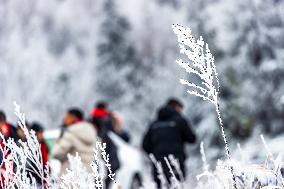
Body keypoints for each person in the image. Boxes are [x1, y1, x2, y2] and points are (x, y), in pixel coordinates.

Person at [142, 98, 196, 189]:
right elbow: (192, 139)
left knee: (161, 185)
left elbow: (145, 145)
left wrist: (154, 155)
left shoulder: (154, 124)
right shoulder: (180, 121)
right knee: (176, 185)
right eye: (180, 108)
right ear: (176, 107)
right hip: (176, 162)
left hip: (158, 164)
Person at [53, 108, 97, 176]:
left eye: (67, 117)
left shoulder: (71, 133)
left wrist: (58, 143)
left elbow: (56, 153)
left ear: (72, 117)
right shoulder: (91, 131)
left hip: (70, 176)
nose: (64, 119)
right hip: (87, 176)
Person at [90, 102, 120, 189]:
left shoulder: (91, 119)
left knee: (98, 174)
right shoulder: (107, 120)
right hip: (107, 151)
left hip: (96, 151)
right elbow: (119, 135)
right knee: (109, 173)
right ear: (104, 108)